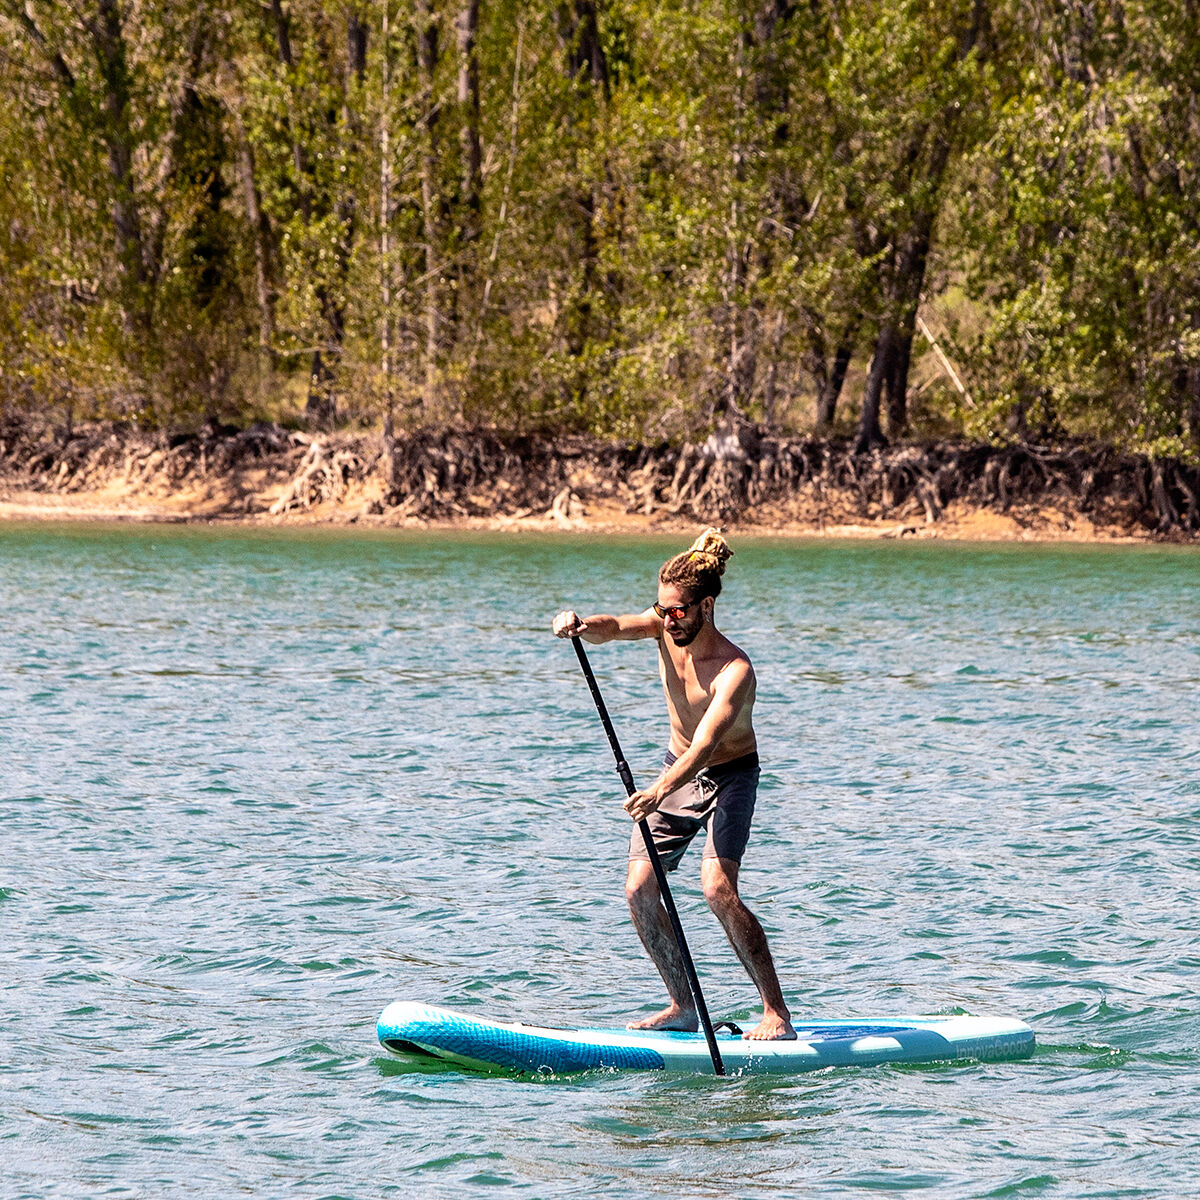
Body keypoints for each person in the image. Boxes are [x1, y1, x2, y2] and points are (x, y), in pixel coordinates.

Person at [553, 529, 795, 1041]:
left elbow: (705, 745)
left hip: (729, 777)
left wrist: (659, 789)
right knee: (639, 889)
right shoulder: (664, 627)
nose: (668, 620)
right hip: (674, 773)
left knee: (717, 889)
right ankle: (683, 1005)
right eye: (662, 610)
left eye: (678, 611)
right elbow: (617, 626)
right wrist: (581, 625)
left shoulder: (734, 670)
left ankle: (776, 1013)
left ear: (706, 606)